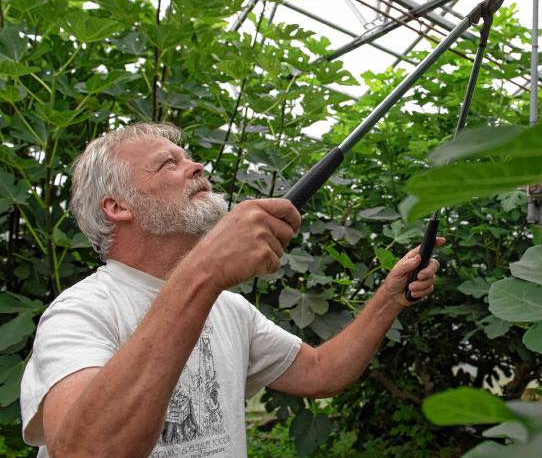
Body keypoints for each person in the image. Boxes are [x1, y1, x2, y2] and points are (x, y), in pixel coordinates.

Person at [19, 122, 443, 457]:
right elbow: (87, 453)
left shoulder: (228, 308)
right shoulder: (81, 311)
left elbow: (320, 372)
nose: (196, 166)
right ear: (118, 206)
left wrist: (389, 297)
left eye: (188, 158)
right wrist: (204, 271)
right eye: (168, 163)